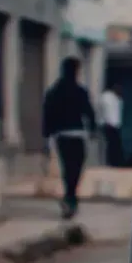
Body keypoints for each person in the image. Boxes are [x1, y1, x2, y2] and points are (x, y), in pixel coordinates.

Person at [42, 57, 96, 219]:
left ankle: (70, 196)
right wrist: (92, 128)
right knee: (76, 167)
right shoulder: (79, 91)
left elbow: (47, 113)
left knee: (68, 167)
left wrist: (47, 134)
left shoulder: (54, 91)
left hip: (62, 135)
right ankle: (71, 196)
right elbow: (89, 111)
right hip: (76, 134)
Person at [99, 82, 123, 166]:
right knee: (110, 145)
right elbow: (107, 111)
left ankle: (113, 162)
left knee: (114, 145)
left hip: (114, 125)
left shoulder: (116, 98)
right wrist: (109, 122)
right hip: (109, 125)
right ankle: (109, 163)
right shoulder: (107, 97)